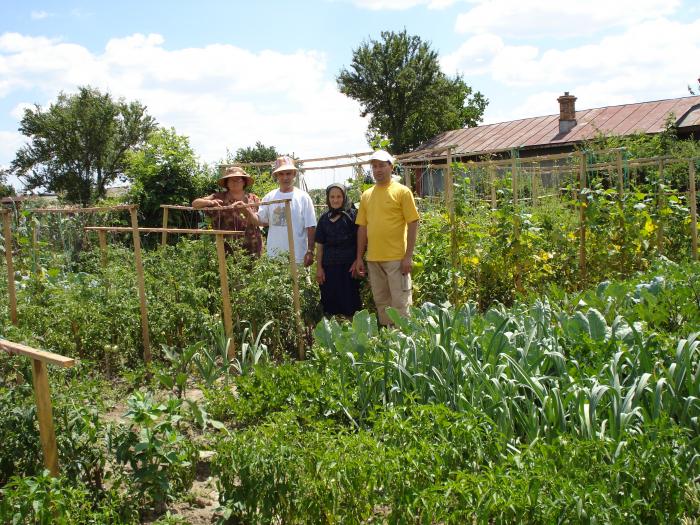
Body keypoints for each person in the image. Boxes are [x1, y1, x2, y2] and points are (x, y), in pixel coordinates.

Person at [353, 150, 419, 326]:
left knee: (400, 303)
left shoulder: (402, 192)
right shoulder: (366, 196)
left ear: (391, 167)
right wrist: (359, 257)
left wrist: (408, 256)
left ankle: (404, 341)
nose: (378, 170)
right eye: (374, 166)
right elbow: (362, 228)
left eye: (382, 165)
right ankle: (390, 340)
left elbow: (413, 223)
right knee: (381, 302)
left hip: (397, 259)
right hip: (374, 259)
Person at [258, 156, 316, 266]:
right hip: (275, 257)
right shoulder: (269, 197)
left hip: (298, 256)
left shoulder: (303, 197)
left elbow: (311, 227)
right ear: (276, 176)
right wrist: (246, 211)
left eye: (288, 173)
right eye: (281, 174)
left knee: (298, 283)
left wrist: (310, 251)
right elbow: (261, 220)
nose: (285, 177)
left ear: (294, 174)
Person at [192, 166, 262, 257]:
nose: (235, 182)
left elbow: (261, 220)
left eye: (238, 179)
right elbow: (195, 203)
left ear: (244, 181)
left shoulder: (253, 198)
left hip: (253, 246)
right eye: (231, 180)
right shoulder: (219, 197)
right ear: (227, 183)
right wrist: (210, 202)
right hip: (226, 248)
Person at [315, 183, 362, 317]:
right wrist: (319, 268)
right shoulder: (324, 219)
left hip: (349, 269)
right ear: (328, 199)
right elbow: (320, 245)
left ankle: (354, 336)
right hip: (329, 269)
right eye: (332, 197)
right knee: (330, 307)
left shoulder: (353, 216)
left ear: (344, 197)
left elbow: (361, 239)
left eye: (339, 196)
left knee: (351, 306)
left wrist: (358, 260)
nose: (335, 200)